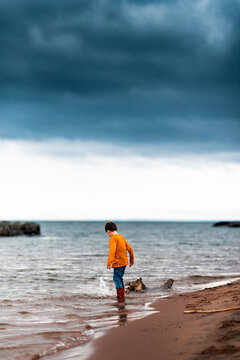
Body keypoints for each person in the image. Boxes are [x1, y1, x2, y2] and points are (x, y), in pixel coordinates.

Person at [105, 221, 134, 302]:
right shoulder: (121, 237)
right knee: (120, 278)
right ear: (117, 229)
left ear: (108, 231)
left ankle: (120, 297)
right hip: (124, 262)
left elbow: (112, 251)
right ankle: (121, 295)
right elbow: (130, 249)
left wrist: (109, 262)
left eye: (107, 233)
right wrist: (132, 259)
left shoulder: (112, 238)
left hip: (118, 263)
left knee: (116, 279)